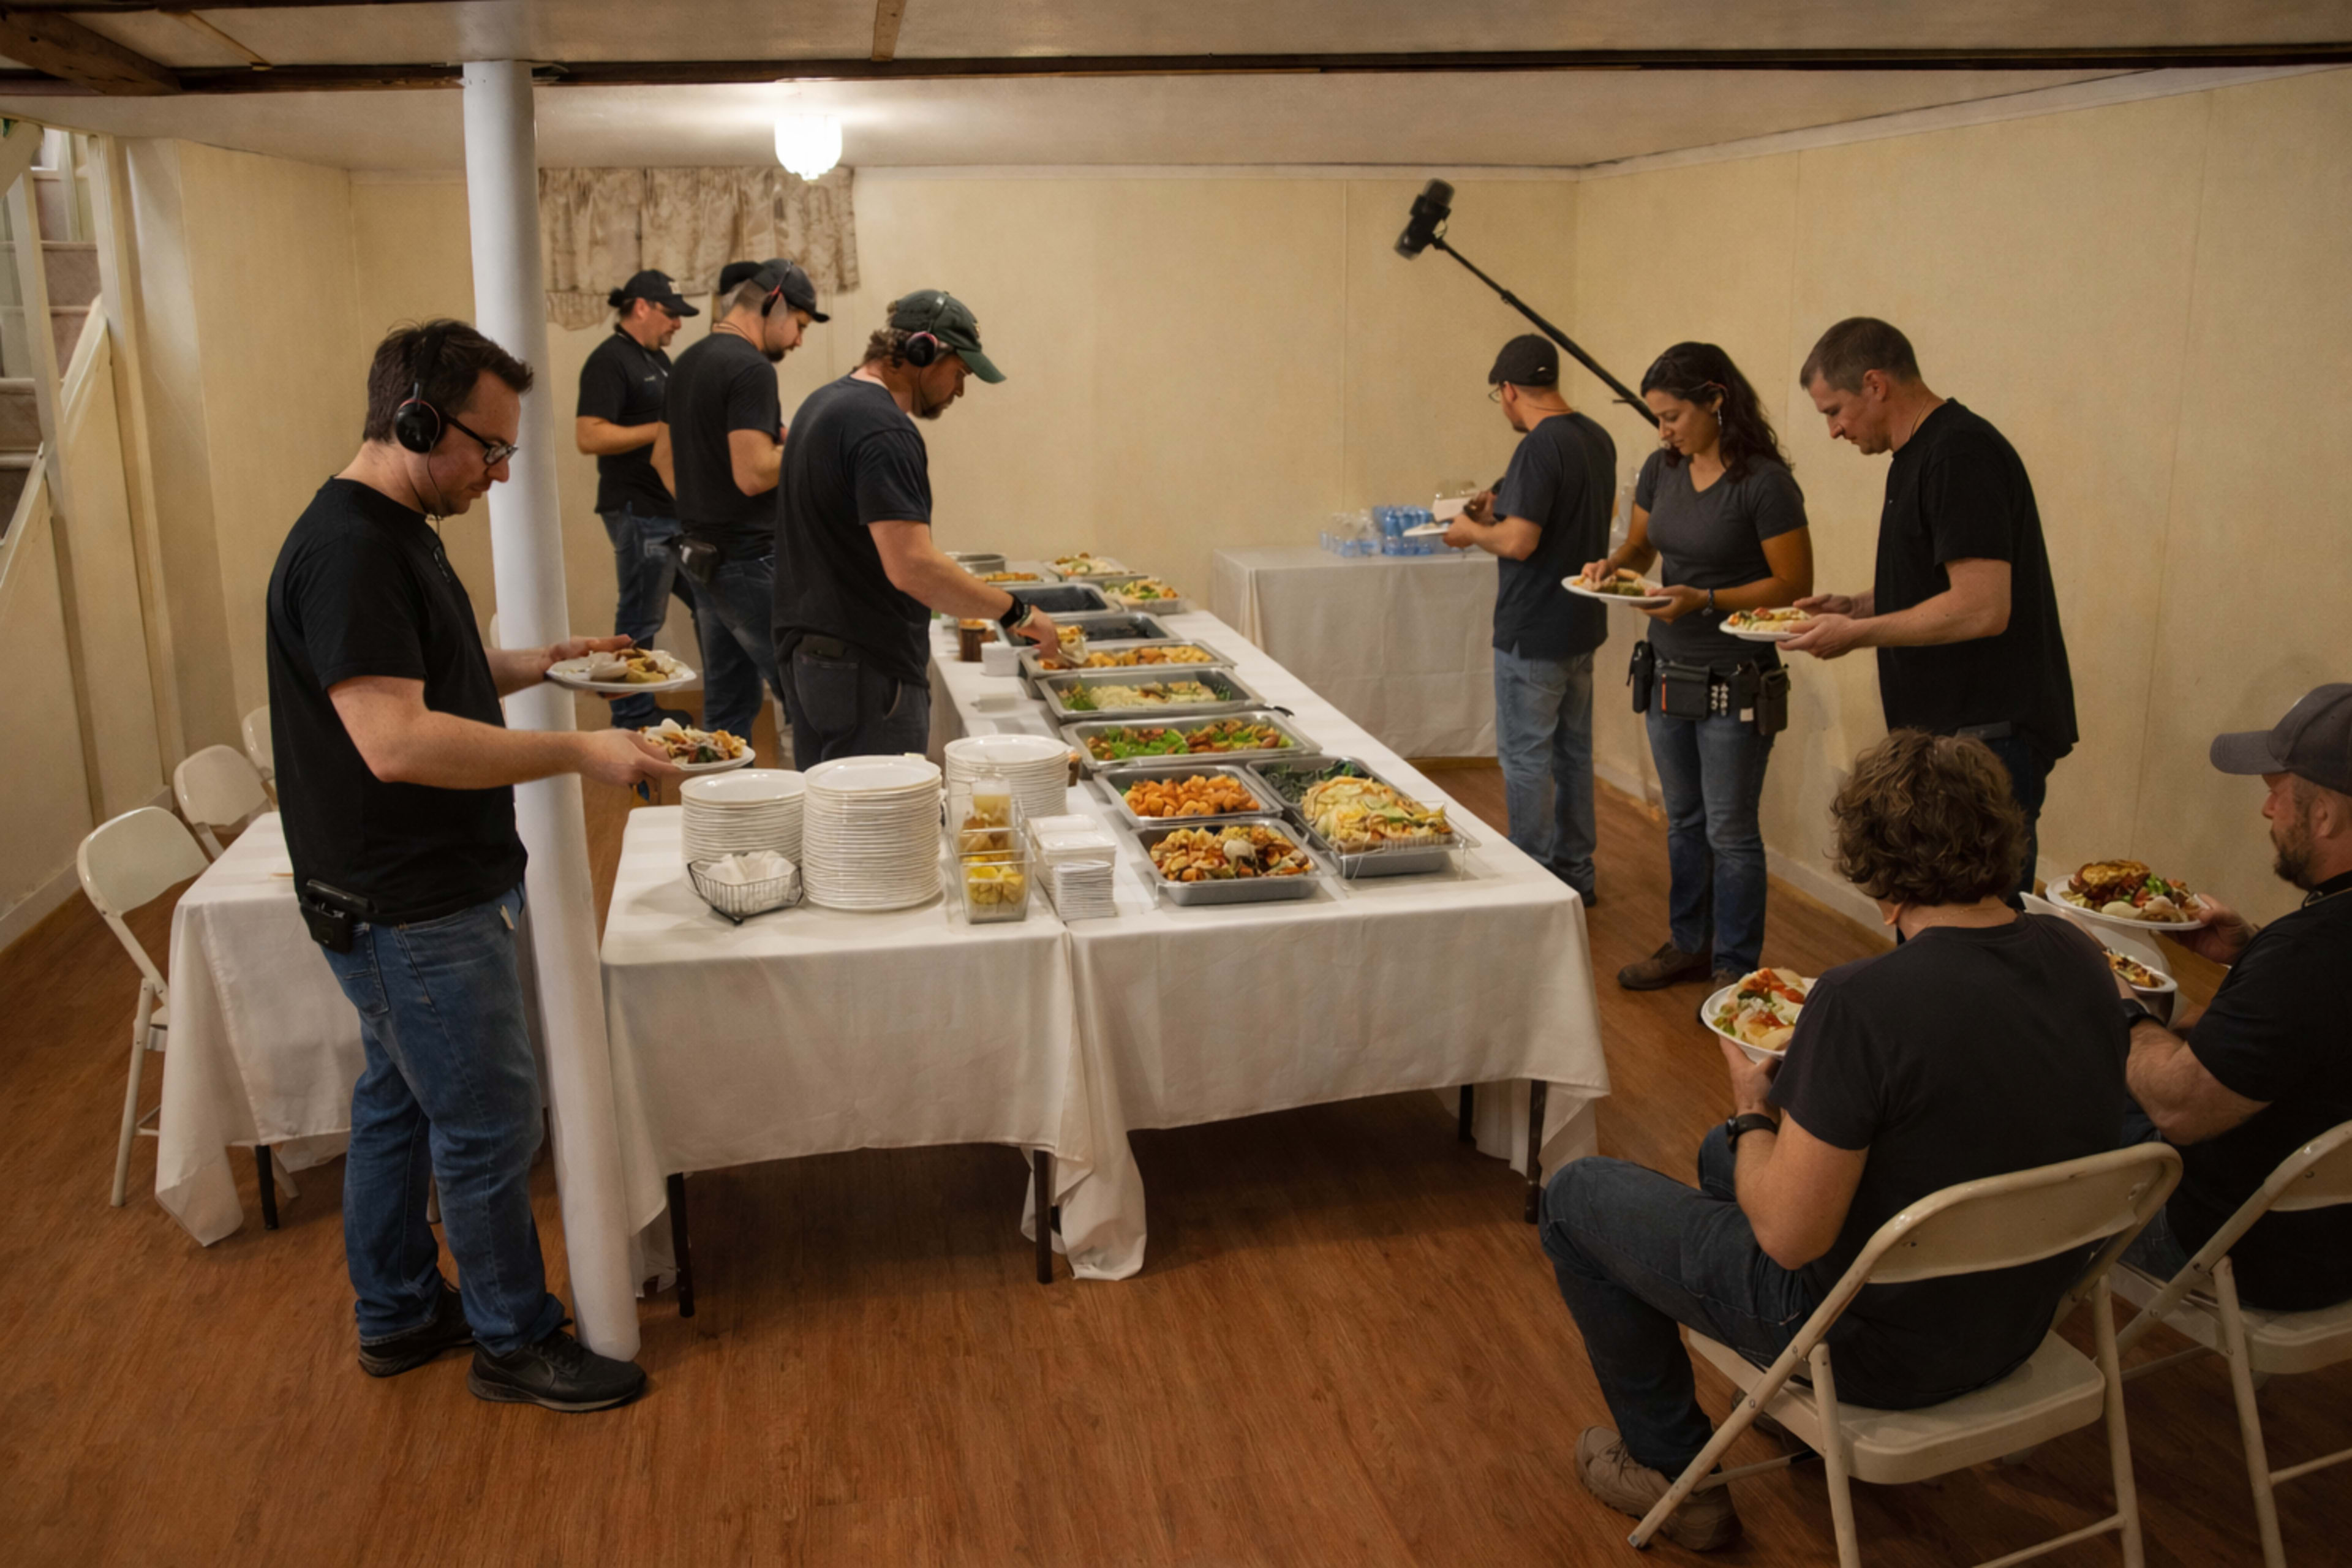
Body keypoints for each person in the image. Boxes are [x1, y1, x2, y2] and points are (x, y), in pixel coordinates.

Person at [1539, 731, 2124, 1550]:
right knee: (1718, 1156)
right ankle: (1787, 1412)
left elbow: (1789, 1237)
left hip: (1871, 1349)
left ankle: (1672, 1473)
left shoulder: (1859, 1003)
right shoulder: (2082, 956)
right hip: (2015, 1321)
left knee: (1576, 1197)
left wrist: (1753, 1106)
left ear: (1879, 876)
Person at [265, 320, 680, 1411]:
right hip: (410, 903)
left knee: (400, 1106)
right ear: (415, 423)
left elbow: (425, 674)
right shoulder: (352, 550)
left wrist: (540, 664)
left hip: (396, 892)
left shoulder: (393, 527)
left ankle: (399, 1313)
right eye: (488, 449)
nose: (497, 474)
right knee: (490, 1123)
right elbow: (397, 742)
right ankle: (512, 1338)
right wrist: (582, 752)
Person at [1784, 317, 2077, 899]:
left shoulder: (1958, 454)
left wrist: (1858, 633)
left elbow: (1982, 607)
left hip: (1985, 741)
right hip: (1951, 738)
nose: (1834, 431)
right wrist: (1858, 604)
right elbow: (1942, 582)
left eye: (1834, 411)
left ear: (1875, 384)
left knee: (1971, 927)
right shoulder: (1918, 456)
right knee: (1928, 918)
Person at [1583, 343, 1812, 990]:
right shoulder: (1662, 470)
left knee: (1730, 830)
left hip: (1736, 679)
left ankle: (1734, 969)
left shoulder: (1764, 483)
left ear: (1715, 399)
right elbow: (1640, 547)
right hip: (1666, 671)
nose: (1664, 432)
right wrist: (1611, 567)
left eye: (1672, 416)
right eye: (1657, 418)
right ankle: (1689, 943)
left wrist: (1705, 599)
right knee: (1683, 820)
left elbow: (1793, 585)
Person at [2117, 684, 2352, 1311]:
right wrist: (2251, 956)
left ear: (2325, 815)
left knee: (2035, 1089)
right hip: (2334, 1240)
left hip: (2247, 1252)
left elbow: (2179, 1108)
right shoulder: (2309, 952)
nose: (2268, 810)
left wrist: (2124, 1010)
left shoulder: (2305, 958)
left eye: (2279, 791)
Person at [772, 290, 1058, 767]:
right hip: (865, 665)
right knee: (880, 814)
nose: (960, 390)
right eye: (960, 373)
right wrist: (1017, 612)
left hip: (811, 657)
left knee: (831, 808)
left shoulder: (824, 403)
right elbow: (913, 568)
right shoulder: (882, 430)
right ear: (923, 352)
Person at [1443, 333, 1616, 903]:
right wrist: (1496, 505)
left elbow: (1520, 542)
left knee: (1525, 759)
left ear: (1510, 390)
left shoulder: (1539, 446)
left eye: (1502, 398)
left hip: (1534, 628)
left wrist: (1471, 531)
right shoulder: (1596, 437)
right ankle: (1576, 875)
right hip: (1581, 626)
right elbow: (1560, 512)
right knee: (1573, 755)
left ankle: (1533, 887)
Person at [651, 257, 825, 742]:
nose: (799, 340)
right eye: (800, 325)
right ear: (775, 304)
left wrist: (705, 511)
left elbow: (661, 458)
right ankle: (830, 787)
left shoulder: (687, 362)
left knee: (730, 701)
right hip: (749, 558)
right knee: (807, 691)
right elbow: (752, 475)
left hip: (703, 557)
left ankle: (722, 791)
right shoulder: (751, 368)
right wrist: (805, 445)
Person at [575, 268, 698, 730]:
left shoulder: (657, 360)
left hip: (669, 510)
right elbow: (589, 436)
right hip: (638, 510)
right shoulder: (610, 360)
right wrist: (662, 430)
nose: (678, 324)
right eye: (671, 314)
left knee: (709, 599)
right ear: (641, 307)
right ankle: (630, 716)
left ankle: (643, 706)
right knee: (641, 615)